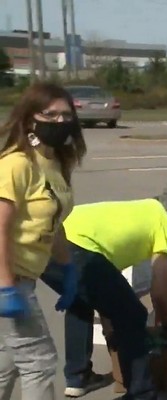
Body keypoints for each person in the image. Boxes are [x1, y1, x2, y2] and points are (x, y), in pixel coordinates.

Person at [41, 188, 167, 399]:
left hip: (45, 242)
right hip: (76, 247)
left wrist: (111, 330)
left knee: (81, 302)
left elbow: (106, 287)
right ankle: (142, 392)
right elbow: (160, 291)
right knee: (133, 314)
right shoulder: (165, 225)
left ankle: (78, 376)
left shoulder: (141, 209)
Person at [0, 83, 87, 399]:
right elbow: (1, 228)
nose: (60, 121)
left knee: (8, 360)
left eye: (66, 115)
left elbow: (54, 223)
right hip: (9, 278)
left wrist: (67, 270)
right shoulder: (16, 164)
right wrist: (6, 286)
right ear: (29, 119)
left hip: (25, 277)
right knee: (39, 362)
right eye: (50, 114)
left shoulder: (56, 165)